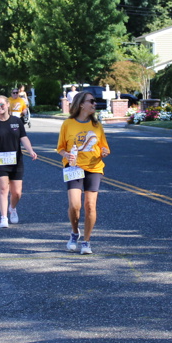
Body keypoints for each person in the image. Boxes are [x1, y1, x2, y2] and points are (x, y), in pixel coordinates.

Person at [56, 91, 110, 255]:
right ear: (81, 104)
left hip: (94, 167)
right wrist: (66, 155)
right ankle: (74, 233)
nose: (94, 104)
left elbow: (104, 146)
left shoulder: (96, 125)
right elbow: (60, 148)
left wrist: (104, 151)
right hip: (74, 168)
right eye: (91, 101)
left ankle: (86, 241)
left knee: (90, 206)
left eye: (95, 101)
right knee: (75, 205)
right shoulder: (68, 124)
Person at [0, 96, 38, 228]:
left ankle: (12, 208)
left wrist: (31, 151)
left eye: (1, 104)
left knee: (17, 193)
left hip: (16, 161)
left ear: (8, 104)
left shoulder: (16, 121)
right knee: (3, 189)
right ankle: (3, 217)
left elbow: (23, 137)